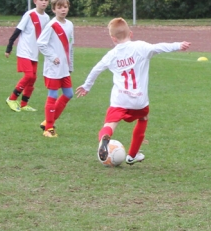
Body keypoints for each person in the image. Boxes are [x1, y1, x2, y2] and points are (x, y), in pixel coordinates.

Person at [76, 18, 190, 165]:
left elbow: (96, 69)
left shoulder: (112, 55)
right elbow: (158, 47)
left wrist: (87, 86)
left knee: (110, 124)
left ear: (113, 38)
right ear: (131, 33)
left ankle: (104, 139)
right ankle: (132, 155)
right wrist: (178, 45)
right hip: (139, 100)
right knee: (143, 118)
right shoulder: (140, 47)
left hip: (119, 99)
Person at [5, 0, 51, 113]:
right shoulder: (30, 15)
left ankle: (24, 104)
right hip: (24, 51)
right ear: (35, 1)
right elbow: (17, 31)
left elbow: (46, 36)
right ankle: (11, 98)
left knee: (33, 78)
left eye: (46, 0)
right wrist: (9, 46)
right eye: (41, 0)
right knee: (29, 75)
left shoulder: (46, 18)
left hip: (34, 52)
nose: (44, 2)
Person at [35, 0, 75, 137]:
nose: (63, 10)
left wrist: (70, 65)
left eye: (65, 7)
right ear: (53, 9)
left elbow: (70, 46)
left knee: (69, 94)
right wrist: (53, 57)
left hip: (64, 68)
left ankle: (48, 121)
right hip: (53, 68)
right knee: (52, 95)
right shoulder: (51, 25)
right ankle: (49, 128)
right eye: (59, 7)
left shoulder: (70, 24)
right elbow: (41, 43)